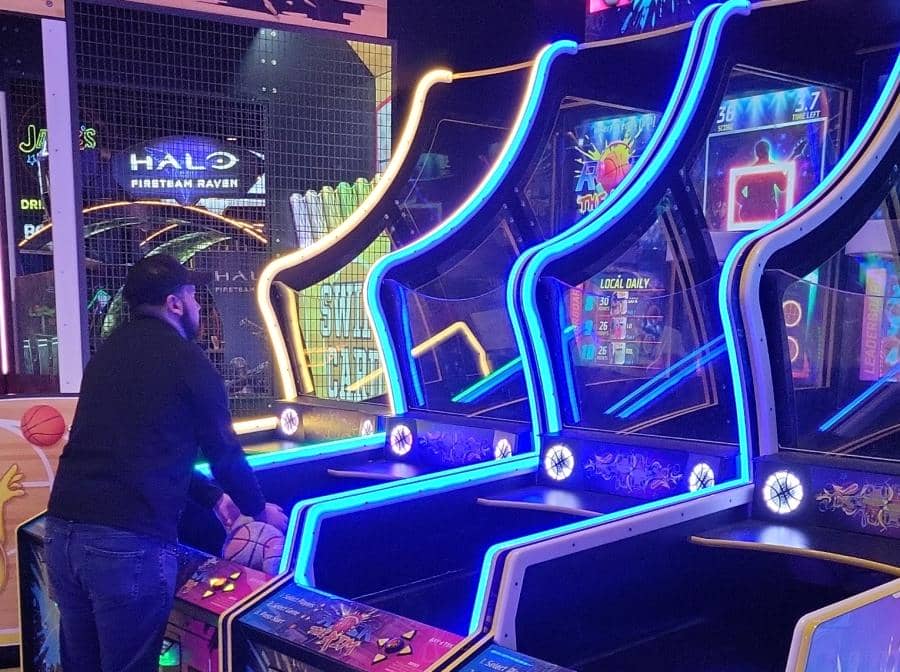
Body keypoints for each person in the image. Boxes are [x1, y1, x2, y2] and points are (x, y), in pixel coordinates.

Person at [45, 254, 288, 672]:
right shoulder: (188, 362)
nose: (198, 307)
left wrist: (211, 496)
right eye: (194, 297)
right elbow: (225, 453)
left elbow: (135, 448)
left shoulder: (107, 356)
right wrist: (258, 510)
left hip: (63, 533)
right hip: (125, 545)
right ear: (175, 304)